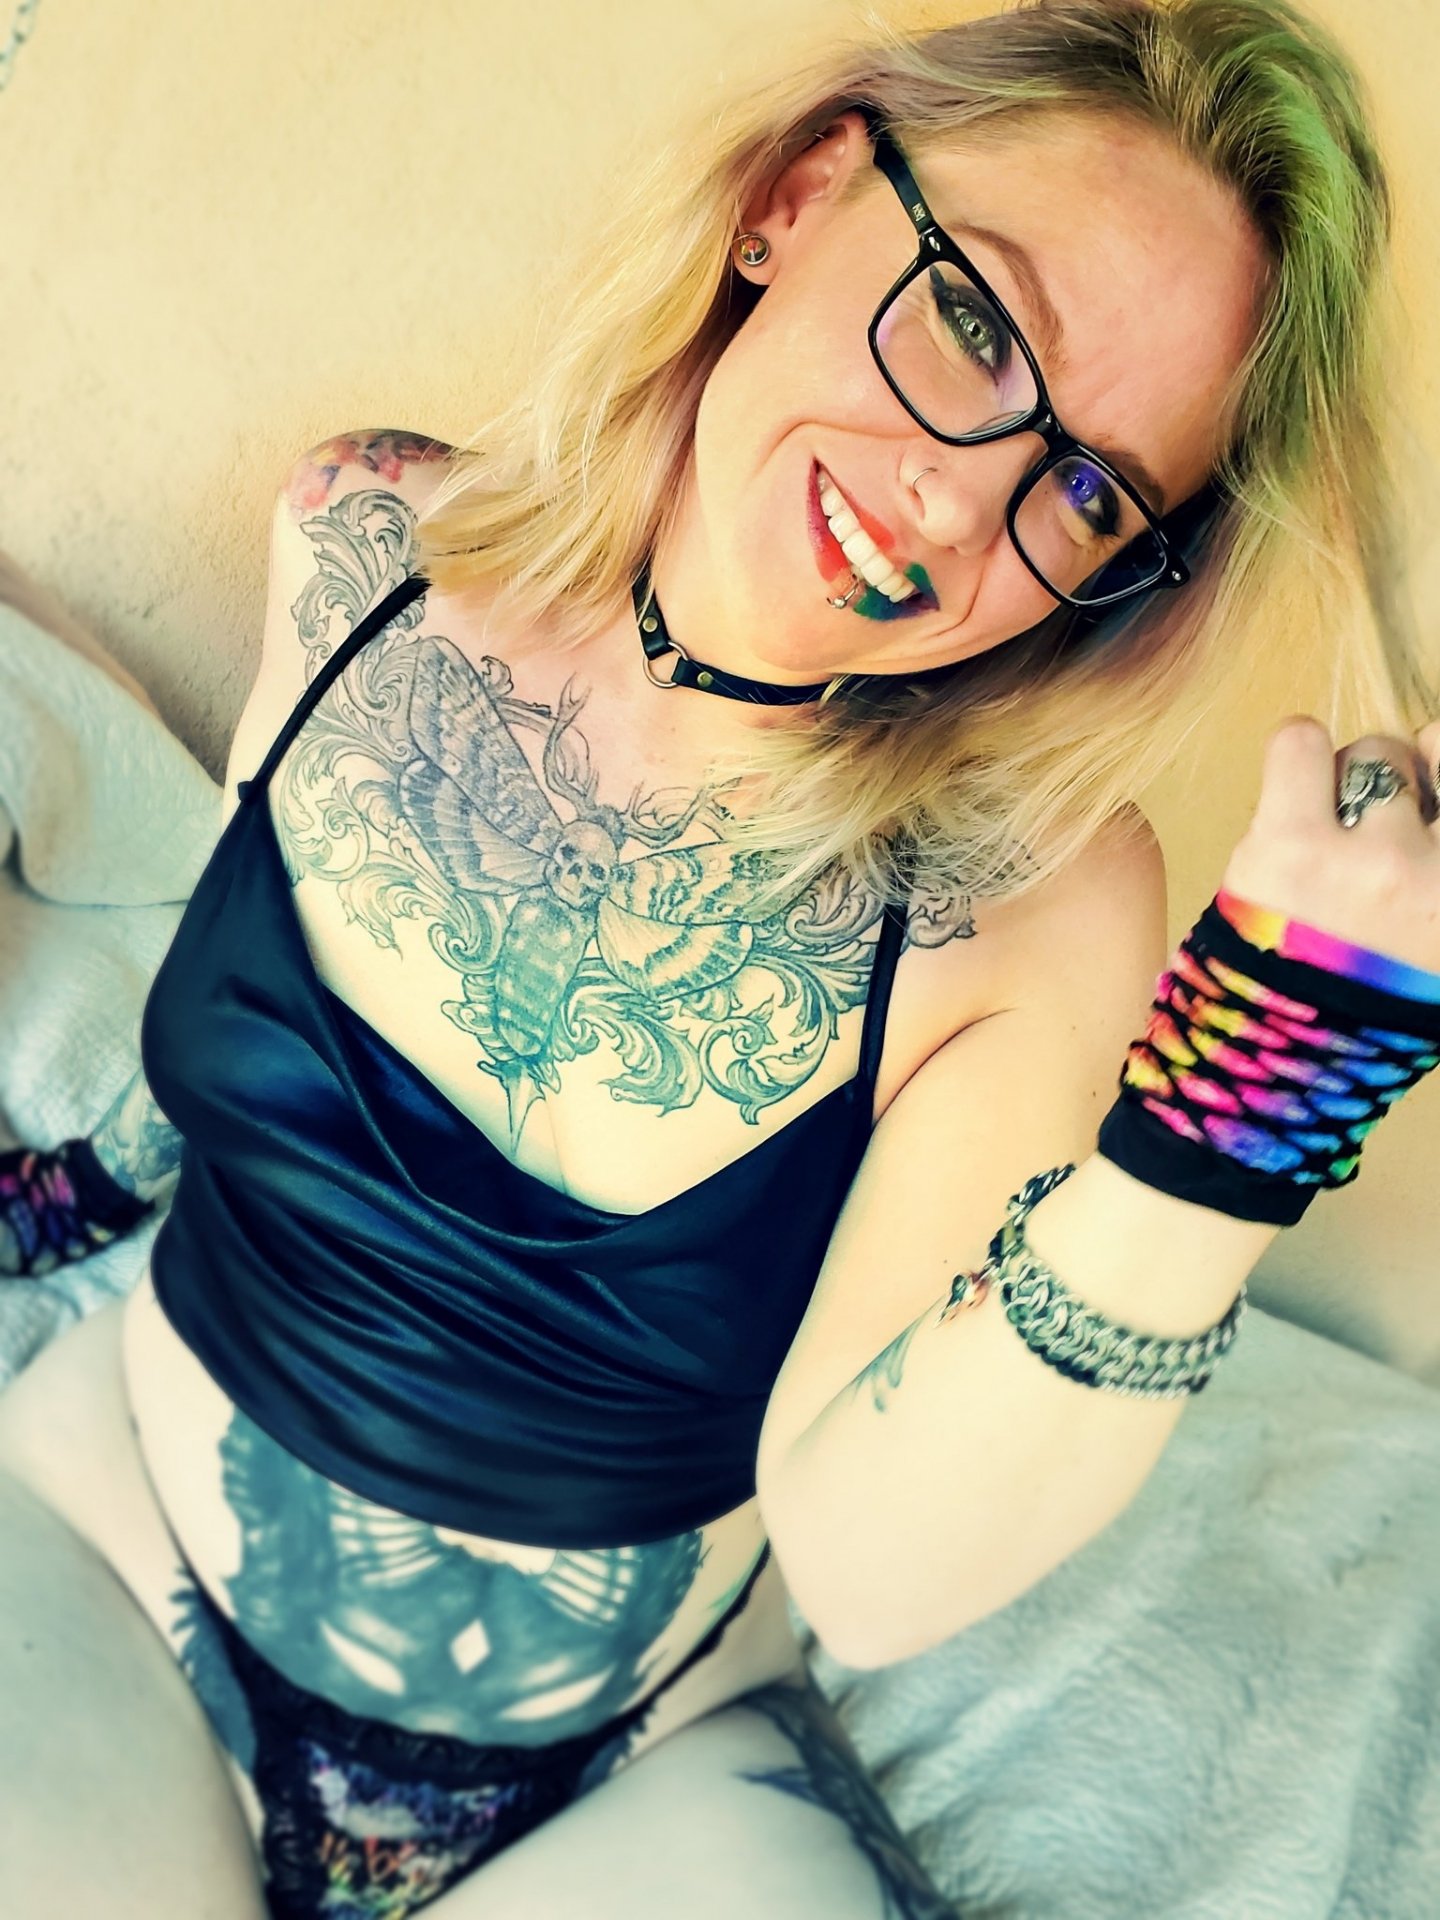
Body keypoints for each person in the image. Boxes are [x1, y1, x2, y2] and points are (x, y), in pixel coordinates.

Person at [1, 2, 1436, 1915]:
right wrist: (93, 1181)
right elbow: (232, 949)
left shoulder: (1026, 903)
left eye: (1092, 492)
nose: (964, 505)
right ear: (795, 196)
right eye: (975, 322)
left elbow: (870, 1566)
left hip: (635, 1765)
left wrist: (1267, 1086)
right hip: (113, 1543)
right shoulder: (368, 546)